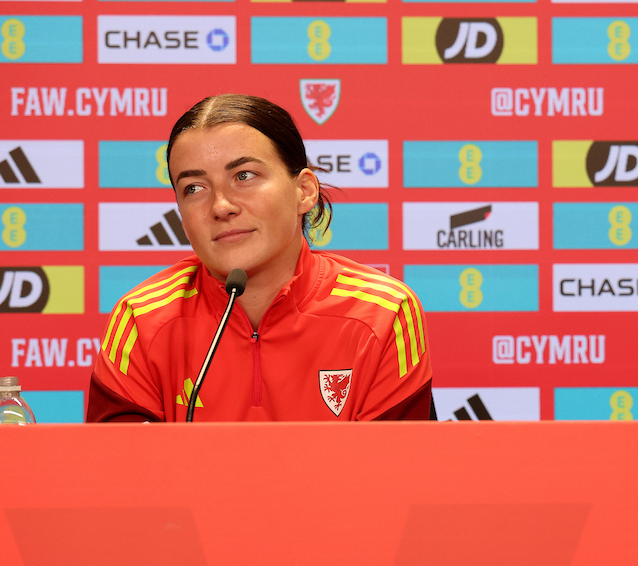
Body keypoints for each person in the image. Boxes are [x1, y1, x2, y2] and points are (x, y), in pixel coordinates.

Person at [87, 94, 433, 421]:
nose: (221, 206)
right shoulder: (141, 319)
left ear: (304, 191)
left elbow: (399, 464)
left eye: (244, 176)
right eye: (194, 188)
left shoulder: (383, 313)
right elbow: (118, 464)